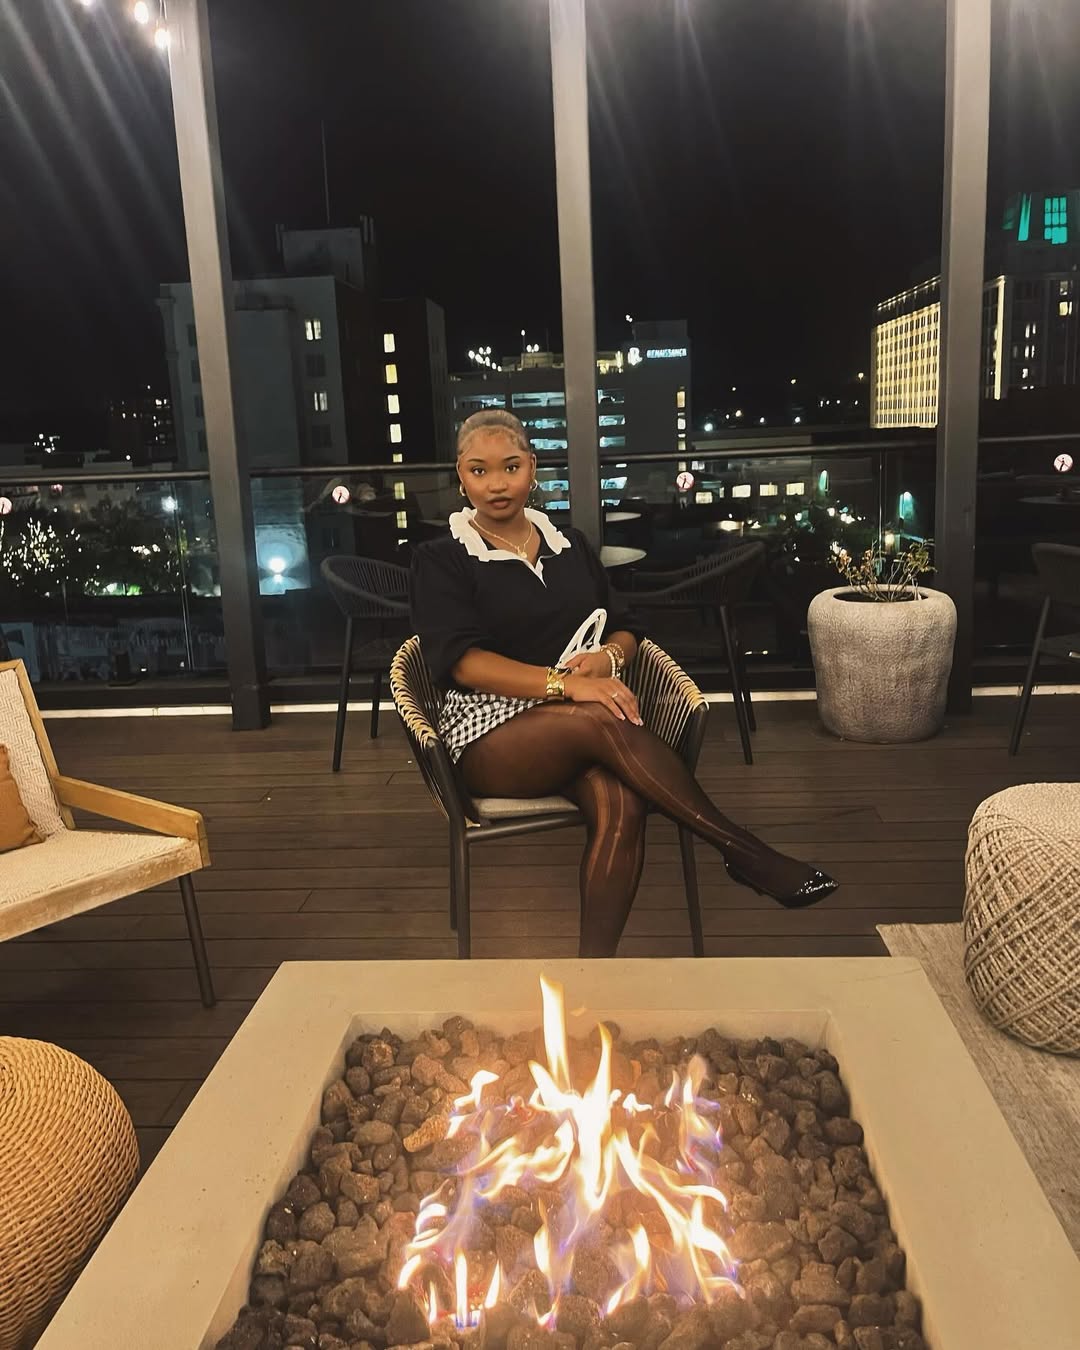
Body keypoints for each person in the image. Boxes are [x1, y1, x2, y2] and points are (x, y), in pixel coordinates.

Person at [410, 410, 837, 957]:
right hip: (486, 732)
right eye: (479, 470)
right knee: (598, 717)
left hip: (575, 728)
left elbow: (627, 626)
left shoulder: (568, 544)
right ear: (461, 476)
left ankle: (594, 975)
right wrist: (568, 687)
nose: (497, 484)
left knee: (623, 802)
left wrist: (608, 659)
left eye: (511, 467)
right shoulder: (442, 557)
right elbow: (464, 664)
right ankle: (742, 850)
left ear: (533, 469)